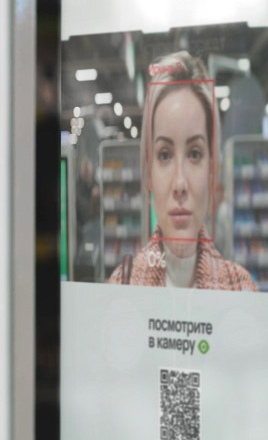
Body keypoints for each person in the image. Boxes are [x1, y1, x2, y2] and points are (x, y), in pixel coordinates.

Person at [107, 51, 258, 291]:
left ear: (212, 169)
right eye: (164, 155)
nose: (179, 183)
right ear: (148, 172)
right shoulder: (120, 286)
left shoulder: (241, 289)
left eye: (195, 154)